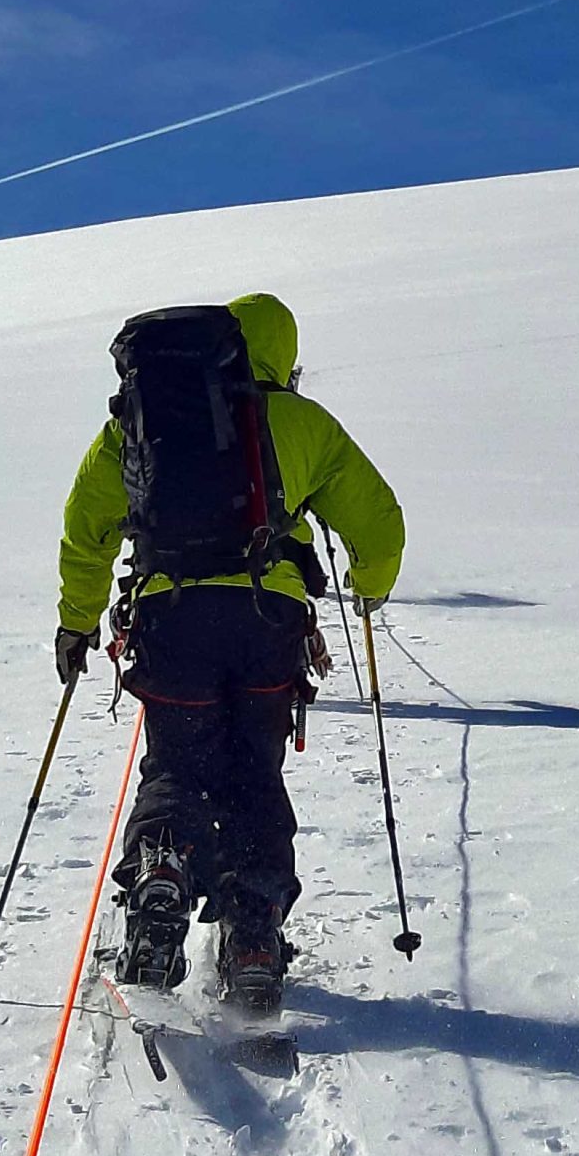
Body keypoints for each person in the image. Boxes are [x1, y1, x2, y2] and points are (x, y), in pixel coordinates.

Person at [55, 292, 404, 1007]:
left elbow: (86, 521)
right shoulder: (303, 423)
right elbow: (381, 523)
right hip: (265, 623)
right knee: (253, 770)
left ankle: (163, 869)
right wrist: (370, 585)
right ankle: (253, 926)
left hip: (171, 618)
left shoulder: (143, 420)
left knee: (179, 762)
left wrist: (77, 620)